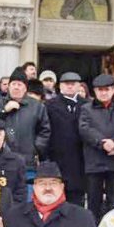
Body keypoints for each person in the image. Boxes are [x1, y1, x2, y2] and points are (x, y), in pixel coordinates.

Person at [79, 73, 114, 220]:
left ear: (113, 90)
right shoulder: (86, 109)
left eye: (107, 89)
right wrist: (102, 143)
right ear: (95, 91)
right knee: (93, 202)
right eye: (100, 90)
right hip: (94, 162)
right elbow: (84, 129)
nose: (103, 93)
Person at [0, 69, 50, 170]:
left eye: (19, 85)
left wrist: (36, 149)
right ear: (8, 87)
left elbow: (45, 130)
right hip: (0, 160)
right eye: (13, 84)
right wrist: (4, 110)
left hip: (28, 161)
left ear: (25, 88)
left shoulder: (37, 106)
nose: (16, 87)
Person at [44, 72, 87, 207]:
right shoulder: (49, 105)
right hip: (57, 159)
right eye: (66, 84)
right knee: (55, 200)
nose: (69, 87)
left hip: (81, 162)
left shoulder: (87, 105)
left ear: (79, 86)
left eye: (73, 84)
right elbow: (45, 131)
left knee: (76, 202)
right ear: (60, 86)